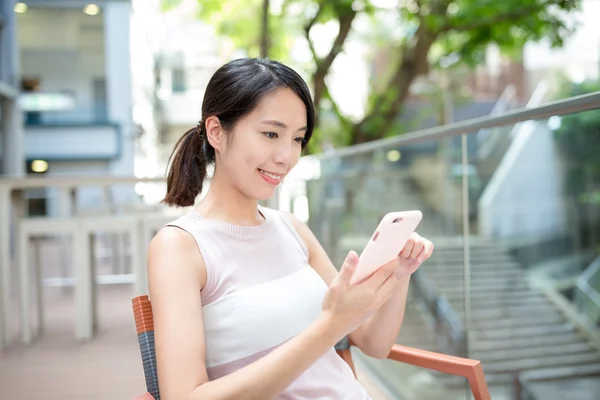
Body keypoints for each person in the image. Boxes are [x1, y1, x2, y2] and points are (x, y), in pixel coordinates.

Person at [147, 58, 434, 400]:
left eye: (297, 139)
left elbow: (375, 343)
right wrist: (330, 325)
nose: (287, 156)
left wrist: (398, 274)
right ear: (216, 132)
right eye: (271, 134)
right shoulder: (180, 247)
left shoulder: (292, 229)